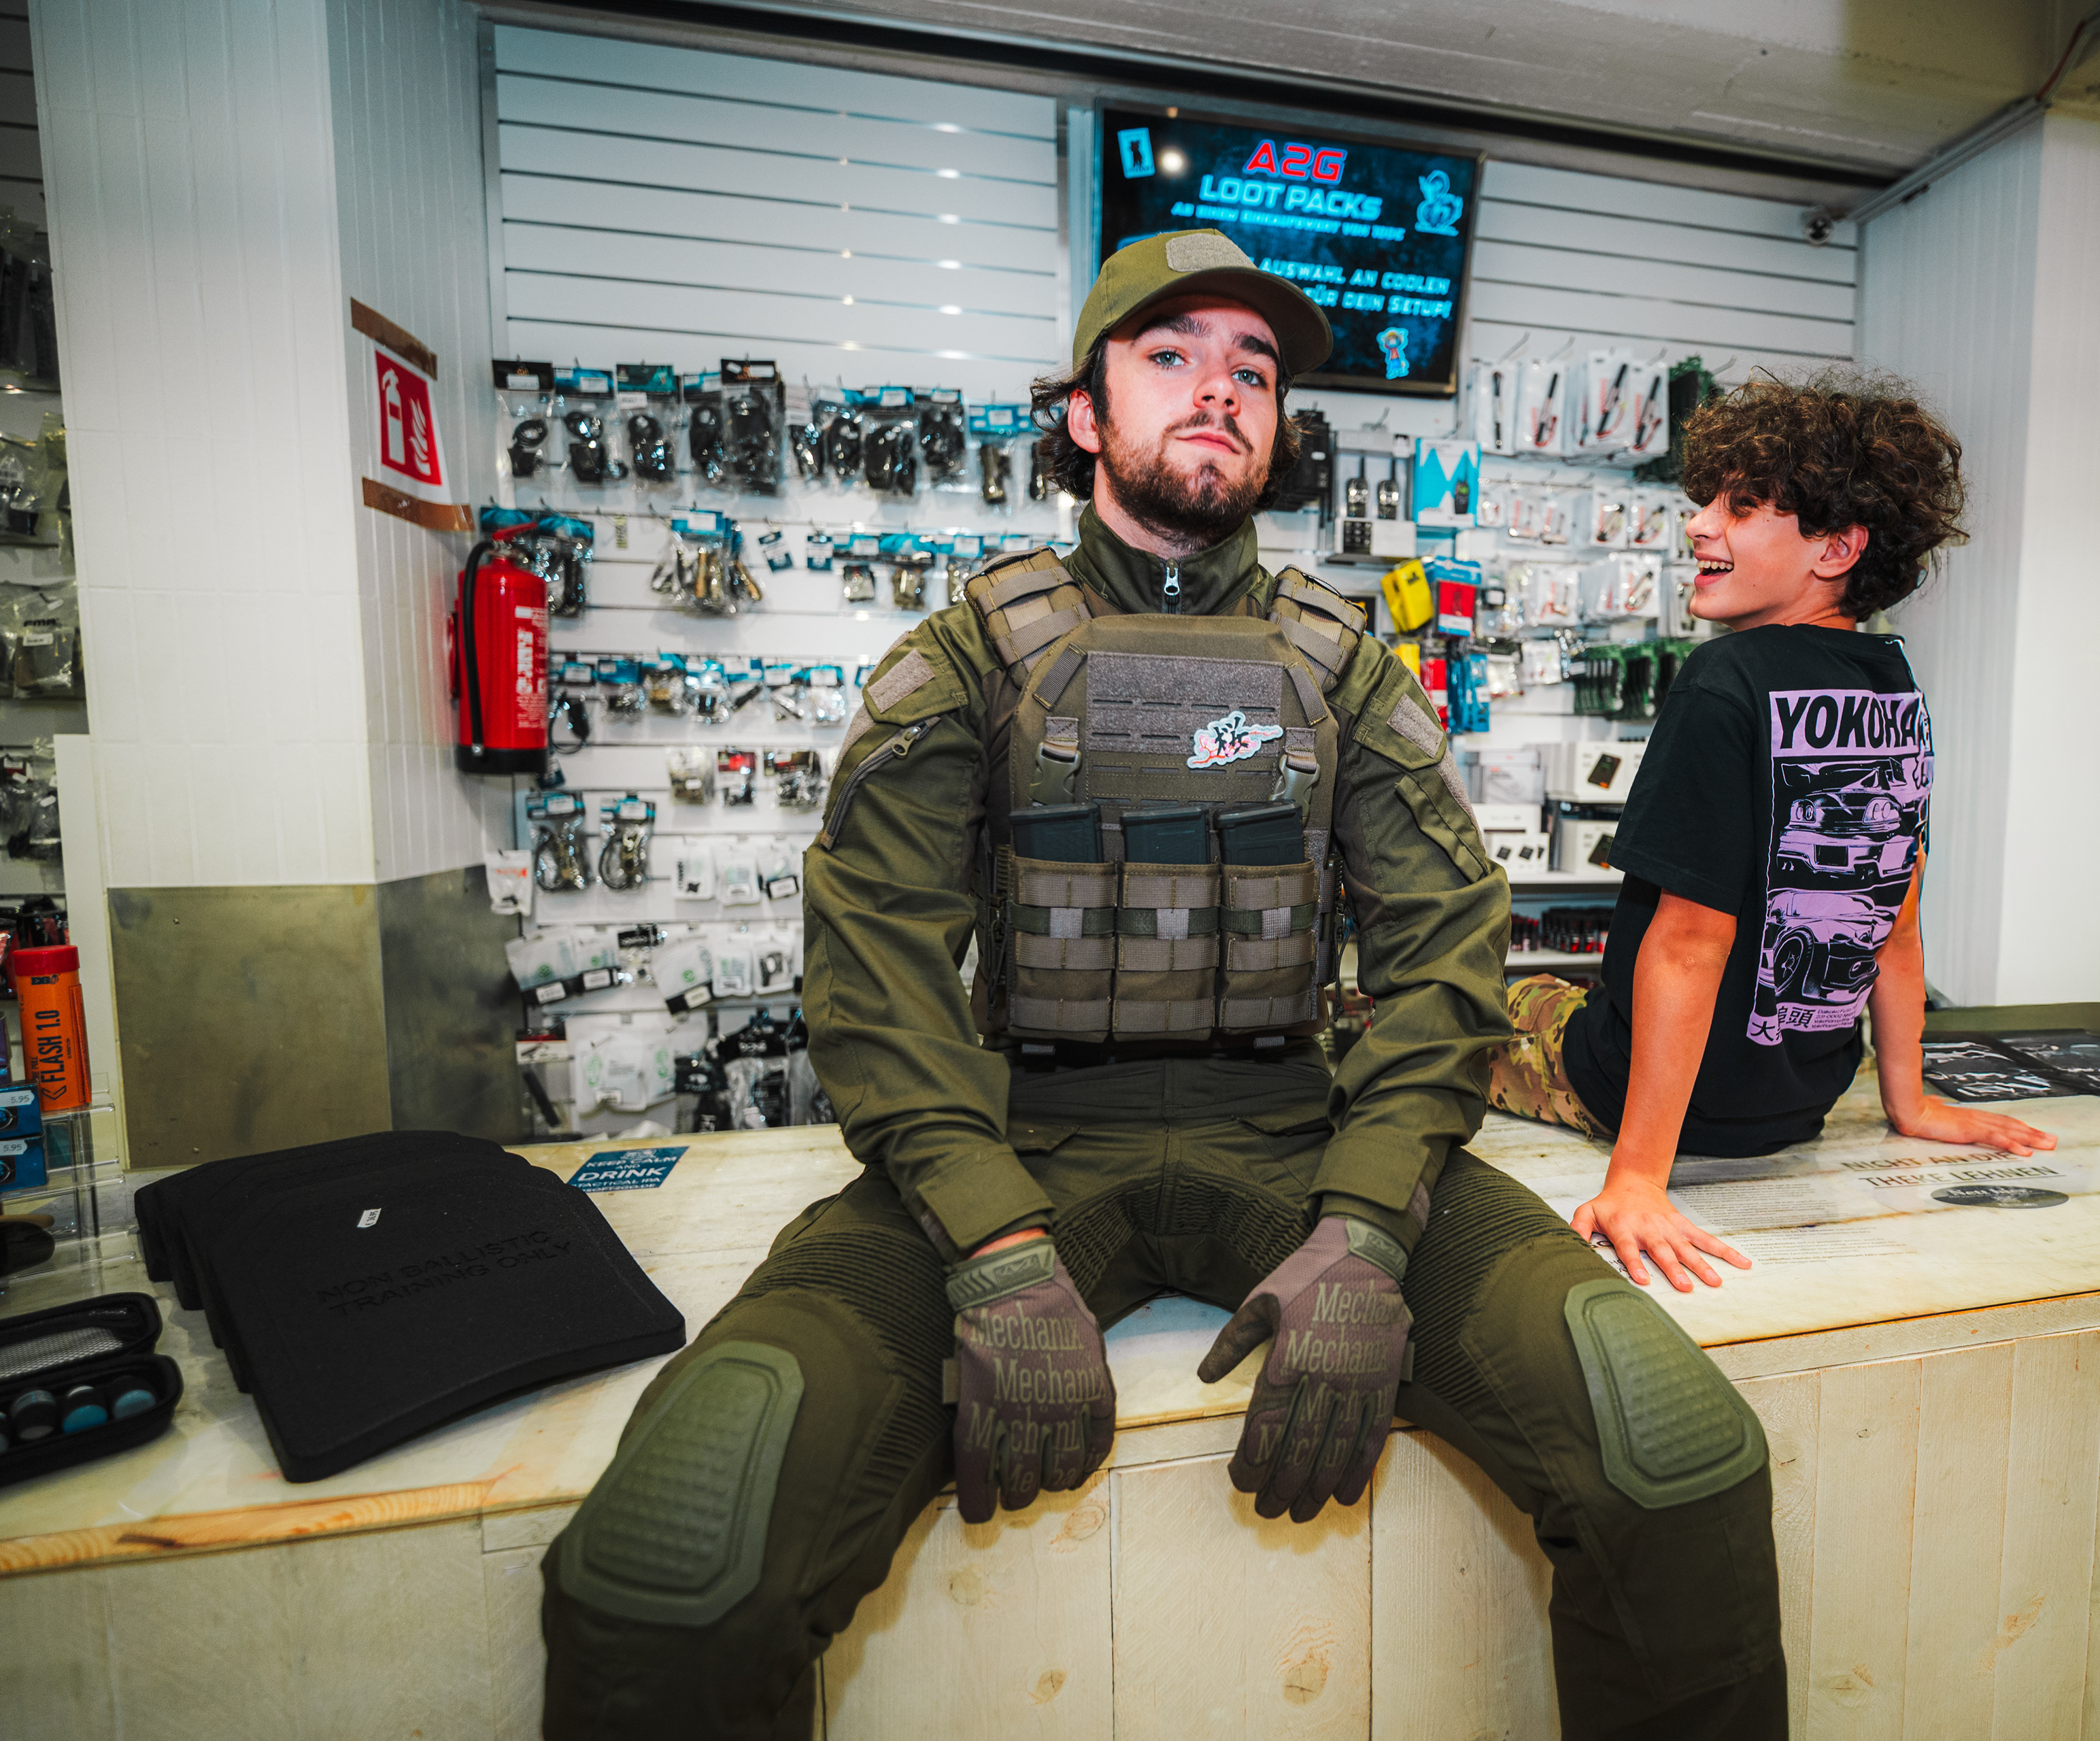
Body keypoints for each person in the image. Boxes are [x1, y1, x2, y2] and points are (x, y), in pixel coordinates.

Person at [539, 231, 1786, 1740]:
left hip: (1307, 1139)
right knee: (672, 1562)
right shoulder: (969, 654)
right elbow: (876, 968)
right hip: (1019, 1144)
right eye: (1172, 354)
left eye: (1254, 368)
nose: (1221, 388)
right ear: (1084, 413)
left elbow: (1445, 951)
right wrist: (991, 1239)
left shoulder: (1346, 665)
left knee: (1679, 1457)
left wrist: (1370, 1221)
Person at [1490, 369, 2056, 1293]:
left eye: (1740, 507)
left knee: (1459, 1005)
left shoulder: (1724, 681)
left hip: (1642, 1102)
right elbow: (1896, 921)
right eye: (1708, 500)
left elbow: (1688, 945)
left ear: (1836, 548)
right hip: (1799, 1108)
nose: (1698, 525)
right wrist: (1909, 1101)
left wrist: (1638, 1179)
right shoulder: (1893, 686)